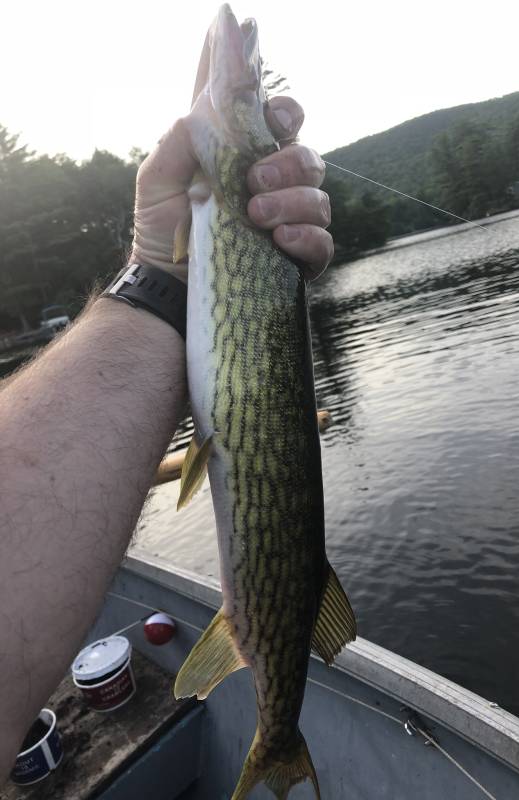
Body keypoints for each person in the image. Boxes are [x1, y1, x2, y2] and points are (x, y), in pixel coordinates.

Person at [0, 95, 332, 784]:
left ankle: (277, 739)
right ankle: (279, 739)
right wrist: (167, 264)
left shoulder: (219, 202)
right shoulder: (216, 194)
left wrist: (163, 274)